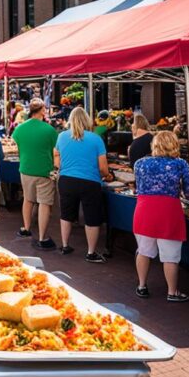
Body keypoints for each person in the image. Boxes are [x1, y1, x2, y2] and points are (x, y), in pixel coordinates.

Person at [132, 131, 189, 302]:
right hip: (169, 212)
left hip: (144, 210)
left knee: (144, 250)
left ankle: (141, 286)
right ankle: (172, 292)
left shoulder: (140, 163)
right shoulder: (180, 164)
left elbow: (137, 187)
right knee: (170, 255)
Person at [54, 107, 113, 261]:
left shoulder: (62, 136)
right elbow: (102, 167)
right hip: (90, 182)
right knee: (92, 217)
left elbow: (57, 160)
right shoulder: (96, 139)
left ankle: (65, 245)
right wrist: (107, 176)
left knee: (66, 214)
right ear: (87, 120)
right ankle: (91, 252)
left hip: (66, 180)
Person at [11, 99, 58, 249]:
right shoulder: (49, 130)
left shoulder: (19, 129)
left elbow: (16, 146)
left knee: (28, 199)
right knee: (44, 203)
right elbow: (56, 152)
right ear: (42, 111)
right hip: (45, 170)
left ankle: (26, 228)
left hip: (26, 168)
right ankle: (43, 238)